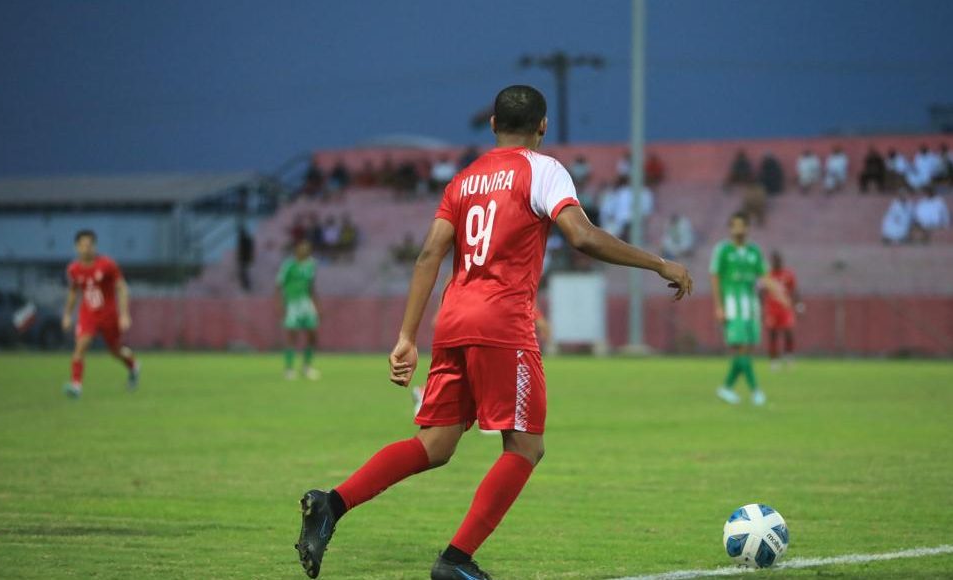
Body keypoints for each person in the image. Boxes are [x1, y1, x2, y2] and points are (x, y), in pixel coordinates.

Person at [293, 84, 693, 580]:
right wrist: (658, 263)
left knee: (436, 444)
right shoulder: (543, 169)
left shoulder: (463, 180)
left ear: (493, 125)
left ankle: (331, 504)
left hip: (453, 320)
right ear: (542, 125)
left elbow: (429, 254)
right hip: (502, 322)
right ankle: (455, 560)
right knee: (525, 447)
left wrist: (406, 337)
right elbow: (582, 235)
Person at [710, 213, 787, 406]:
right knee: (742, 347)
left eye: (742, 225)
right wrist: (719, 307)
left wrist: (779, 293)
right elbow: (715, 278)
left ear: (747, 228)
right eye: (735, 225)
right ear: (730, 228)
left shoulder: (754, 251)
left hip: (751, 306)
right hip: (732, 306)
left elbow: (765, 276)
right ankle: (756, 391)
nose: (738, 229)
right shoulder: (723, 250)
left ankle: (726, 388)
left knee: (746, 350)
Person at [61, 230, 139, 398]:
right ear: (76, 247)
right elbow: (73, 292)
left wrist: (124, 314)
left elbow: (122, 288)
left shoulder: (107, 265)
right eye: (82, 245)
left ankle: (133, 365)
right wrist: (67, 315)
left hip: (108, 314)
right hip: (88, 314)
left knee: (115, 350)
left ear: (95, 246)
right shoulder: (73, 269)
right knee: (80, 346)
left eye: (89, 245)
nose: (86, 249)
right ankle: (76, 386)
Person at [277, 239, 320, 380]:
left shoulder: (311, 265)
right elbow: (278, 286)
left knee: (312, 335)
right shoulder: (289, 265)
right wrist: (280, 305)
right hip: (292, 304)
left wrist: (317, 305)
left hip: (306, 303)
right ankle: (289, 369)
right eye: (302, 248)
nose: (305, 251)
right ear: (296, 250)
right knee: (292, 336)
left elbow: (311, 286)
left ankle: (306, 367)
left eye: (307, 248)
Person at [763, 251, 802, 370]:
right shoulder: (767, 276)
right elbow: (761, 292)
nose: (776, 263)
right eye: (774, 260)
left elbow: (795, 291)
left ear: (781, 261)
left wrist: (799, 305)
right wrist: (761, 308)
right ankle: (774, 361)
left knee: (789, 332)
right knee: (773, 334)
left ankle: (789, 357)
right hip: (772, 310)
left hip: (785, 309)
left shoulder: (788, 274)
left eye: (778, 260)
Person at [236, 224, 254, 291]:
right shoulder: (247, 240)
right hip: (245, 259)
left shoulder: (243, 240)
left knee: (244, 273)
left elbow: (243, 250)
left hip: (244, 259)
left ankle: (246, 286)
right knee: (245, 272)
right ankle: (246, 285)